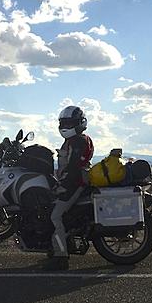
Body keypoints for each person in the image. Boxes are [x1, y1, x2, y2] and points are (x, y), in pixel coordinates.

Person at [44, 105, 94, 270]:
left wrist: (62, 186)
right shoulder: (71, 140)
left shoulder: (79, 141)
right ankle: (60, 244)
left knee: (55, 216)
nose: (65, 127)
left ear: (79, 123)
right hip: (72, 181)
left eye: (69, 123)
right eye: (63, 123)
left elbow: (73, 168)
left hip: (76, 183)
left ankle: (61, 257)